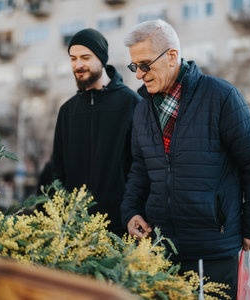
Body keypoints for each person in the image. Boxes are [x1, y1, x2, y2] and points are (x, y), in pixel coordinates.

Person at [121, 20, 250, 298]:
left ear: (172, 57)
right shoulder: (142, 111)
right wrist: (130, 212)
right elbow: (139, 170)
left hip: (214, 251)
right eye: (135, 67)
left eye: (145, 64)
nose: (139, 75)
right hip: (161, 251)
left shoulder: (221, 96)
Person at [51, 28, 141, 237]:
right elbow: (58, 172)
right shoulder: (67, 111)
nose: (78, 65)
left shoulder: (131, 104)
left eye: (85, 57)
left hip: (121, 230)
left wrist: (133, 213)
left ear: (101, 59)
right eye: (73, 58)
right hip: (75, 231)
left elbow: (141, 169)